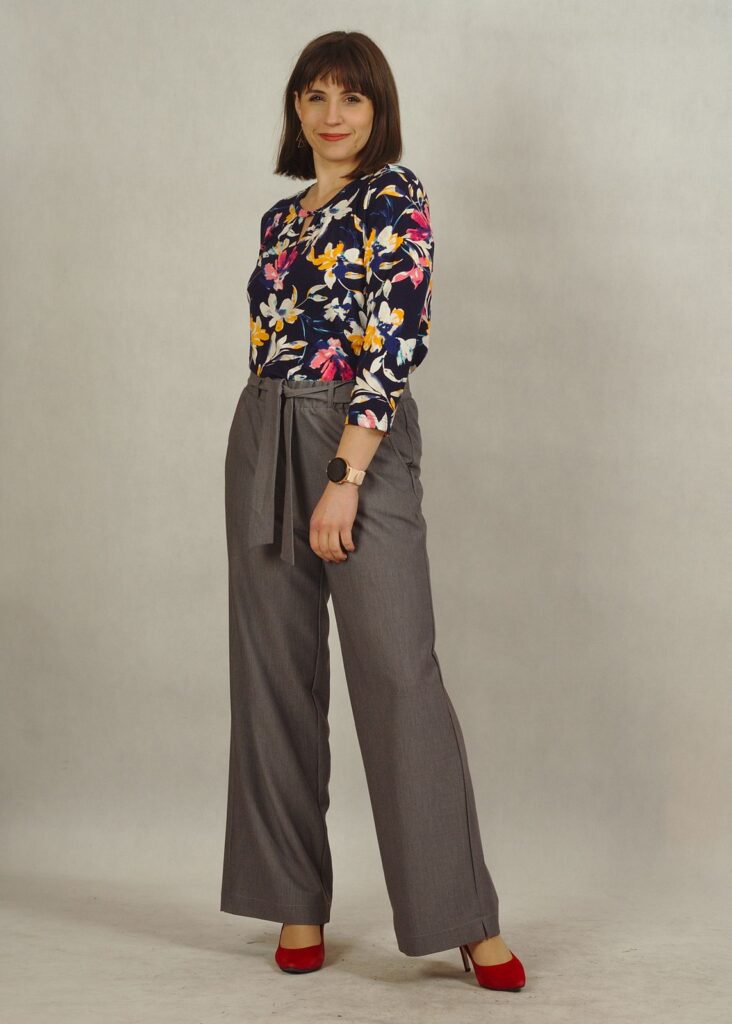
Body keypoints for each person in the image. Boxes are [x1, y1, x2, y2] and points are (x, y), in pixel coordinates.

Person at [220, 30, 526, 992]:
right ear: (295, 109)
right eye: (314, 96)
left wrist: (347, 472)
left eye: (351, 97)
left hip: (357, 434)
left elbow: (397, 332)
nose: (332, 114)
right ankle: (294, 898)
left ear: (377, 109)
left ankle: (462, 916)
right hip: (264, 427)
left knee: (398, 670)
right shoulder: (280, 219)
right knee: (273, 674)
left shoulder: (395, 196)